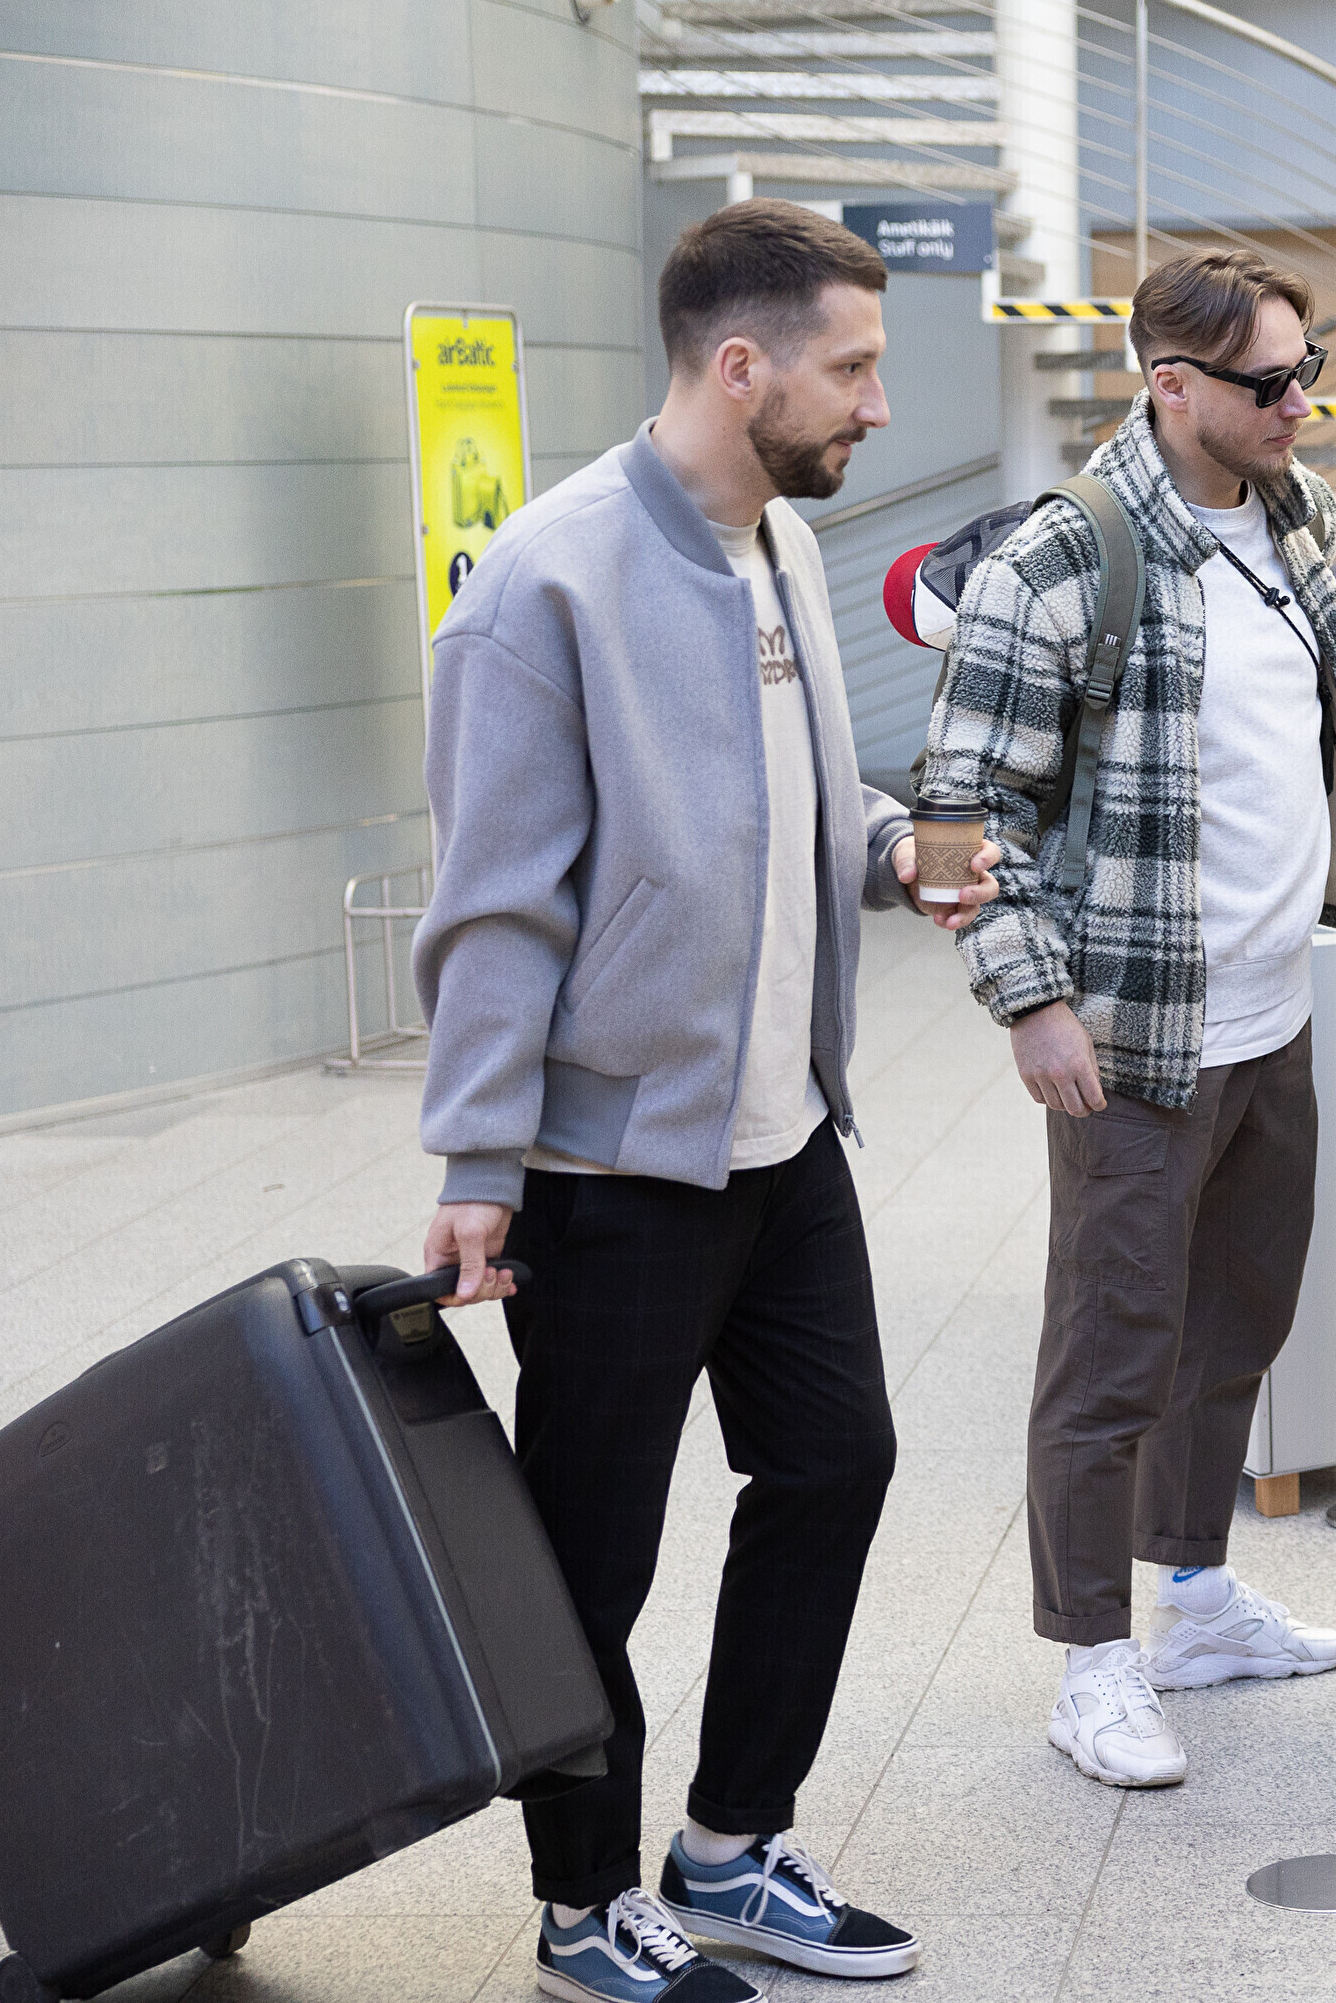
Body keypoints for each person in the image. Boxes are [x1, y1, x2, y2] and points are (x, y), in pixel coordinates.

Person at [414, 198, 998, 2003]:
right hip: (612, 1164)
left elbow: (790, 790)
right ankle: (583, 1904)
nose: (879, 406)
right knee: (589, 1555)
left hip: (781, 1136)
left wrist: (890, 851)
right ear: (739, 366)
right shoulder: (549, 581)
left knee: (836, 1462)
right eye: (855, 368)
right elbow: (497, 902)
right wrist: (477, 1157)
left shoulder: (780, 546)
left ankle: (733, 1845)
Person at [917, 248, 1336, 1789]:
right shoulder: (1065, 560)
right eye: (1270, 384)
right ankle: (1092, 1660)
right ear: (1172, 387)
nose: (1301, 404)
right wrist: (1030, 1001)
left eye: (1307, 371)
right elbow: (958, 812)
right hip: (1136, 1033)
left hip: (1276, 1011)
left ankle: (1197, 1600)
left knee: (1239, 1322)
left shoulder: (1298, 514)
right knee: (1112, 1350)